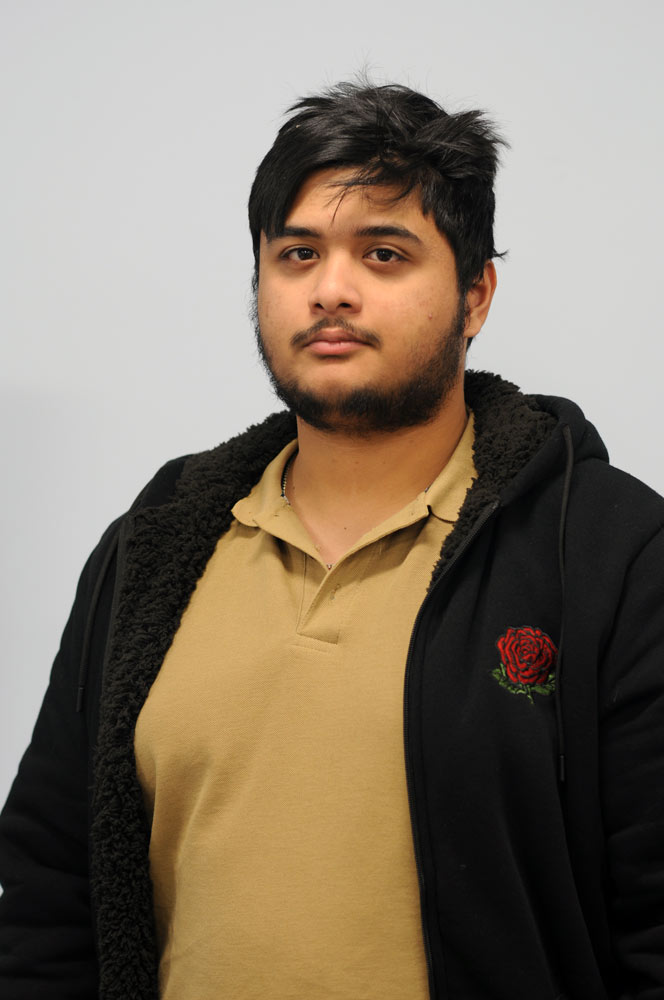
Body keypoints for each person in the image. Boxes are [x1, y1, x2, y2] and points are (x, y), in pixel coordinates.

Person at [1, 80, 663, 1000]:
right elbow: (46, 889)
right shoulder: (150, 548)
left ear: (476, 295)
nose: (330, 290)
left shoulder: (611, 554)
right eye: (297, 253)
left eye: (384, 253)